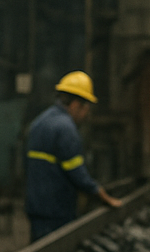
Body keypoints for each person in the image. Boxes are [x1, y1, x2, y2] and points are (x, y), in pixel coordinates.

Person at [24, 70, 123, 242]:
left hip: (36, 206)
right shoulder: (66, 128)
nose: (86, 115)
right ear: (76, 104)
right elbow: (77, 174)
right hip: (57, 210)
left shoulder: (38, 122)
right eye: (86, 109)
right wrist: (102, 195)